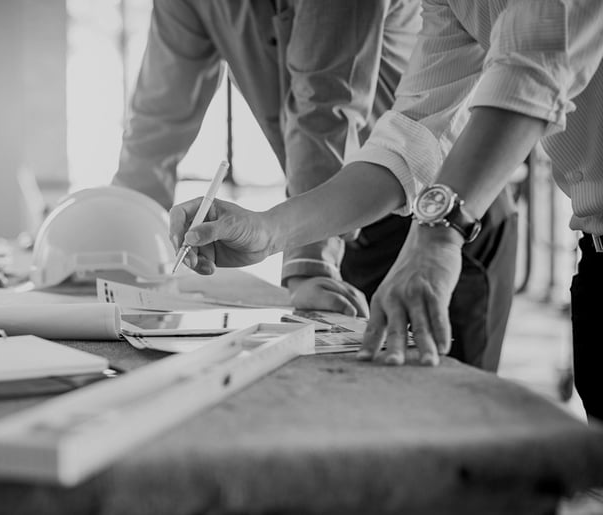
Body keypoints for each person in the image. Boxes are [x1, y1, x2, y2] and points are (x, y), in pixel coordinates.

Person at [168, 0, 603, 422]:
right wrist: (268, 230)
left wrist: (436, 236)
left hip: (476, 224)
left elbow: (534, 69)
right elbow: (411, 138)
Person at [114, 0, 519, 372]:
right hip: (332, 215)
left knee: (448, 414)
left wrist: (309, 266)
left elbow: (325, 109)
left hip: (445, 213)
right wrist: (119, 241)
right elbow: (157, 120)